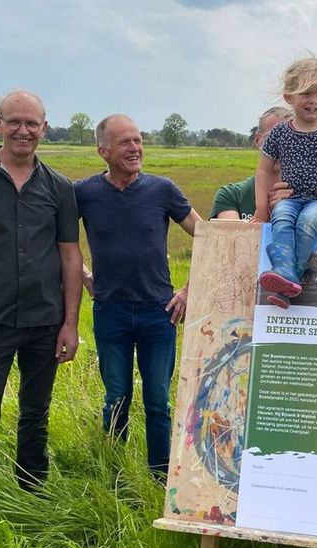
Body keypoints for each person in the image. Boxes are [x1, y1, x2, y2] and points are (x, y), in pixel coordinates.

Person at [0, 90, 83, 492]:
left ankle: (32, 494)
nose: (23, 131)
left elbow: (70, 256)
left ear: (44, 128)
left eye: (31, 124)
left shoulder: (60, 187)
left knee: (35, 415)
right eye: (14, 122)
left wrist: (70, 324)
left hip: (44, 320)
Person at [74, 114, 201, 477]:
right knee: (116, 397)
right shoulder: (84, 193)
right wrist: (84, 275)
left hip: (158, 312)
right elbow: (60, 242)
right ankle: (112, 475)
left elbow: (208, 237)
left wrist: (190, 290)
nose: (135, 148)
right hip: (109, 311)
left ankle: (160, 477)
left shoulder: (163, 190)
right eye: (125, 142)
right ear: (103, 151)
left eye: (138, 140)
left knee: (158, 401)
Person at [253, 56, 317, 308]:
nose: (314, 101)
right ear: (289, 97)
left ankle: (288, 276)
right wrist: (261, 209)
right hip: (290, 199)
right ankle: (284, 277)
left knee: (308, 222)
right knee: (281, 220)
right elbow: (264, 171)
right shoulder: (279, 133)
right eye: (307, 93)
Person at [210, 106, 317, 225]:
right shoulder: (231, 196)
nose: (280, 147)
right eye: (271, 139)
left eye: (294, 141)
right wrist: (270, 214)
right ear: (258, 140)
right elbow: (230, 241)